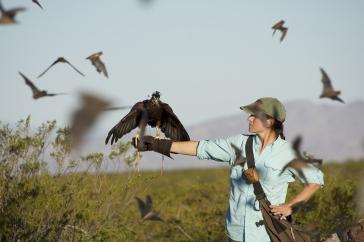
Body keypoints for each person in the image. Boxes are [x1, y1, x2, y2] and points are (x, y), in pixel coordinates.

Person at [132, 97, 324, 242]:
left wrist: (290, 206)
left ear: (270, 121)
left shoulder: (289, 153)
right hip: (236, 231)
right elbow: (200, 148)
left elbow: (315, 180)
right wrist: (155, 144)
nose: (248, 118)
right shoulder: (238, 143)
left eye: (254, 115)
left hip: (267, 234)